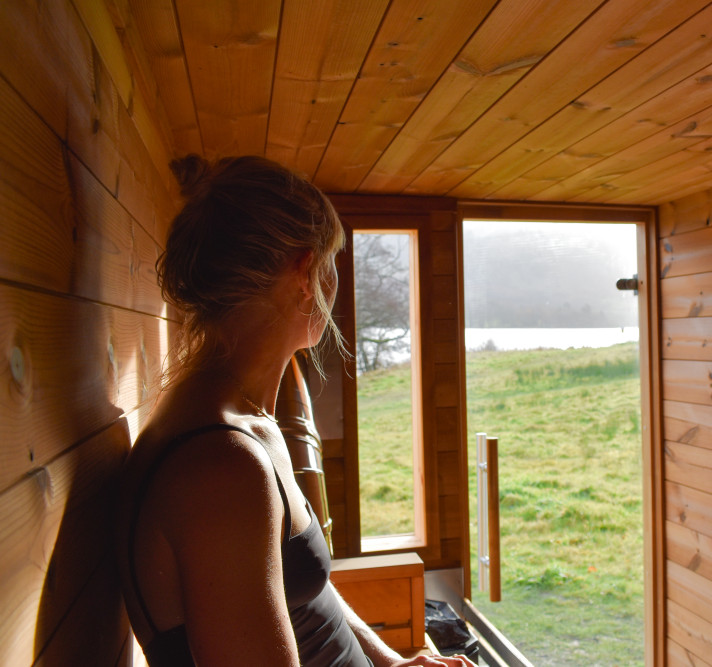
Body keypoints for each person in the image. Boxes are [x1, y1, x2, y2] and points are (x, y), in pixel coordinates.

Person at [115, 155, 475, 667]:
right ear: (305, 272)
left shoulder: (246, 423)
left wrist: (392, 663)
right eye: (330, 264)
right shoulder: (221, 466)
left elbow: (306, 594)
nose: (333, 283)